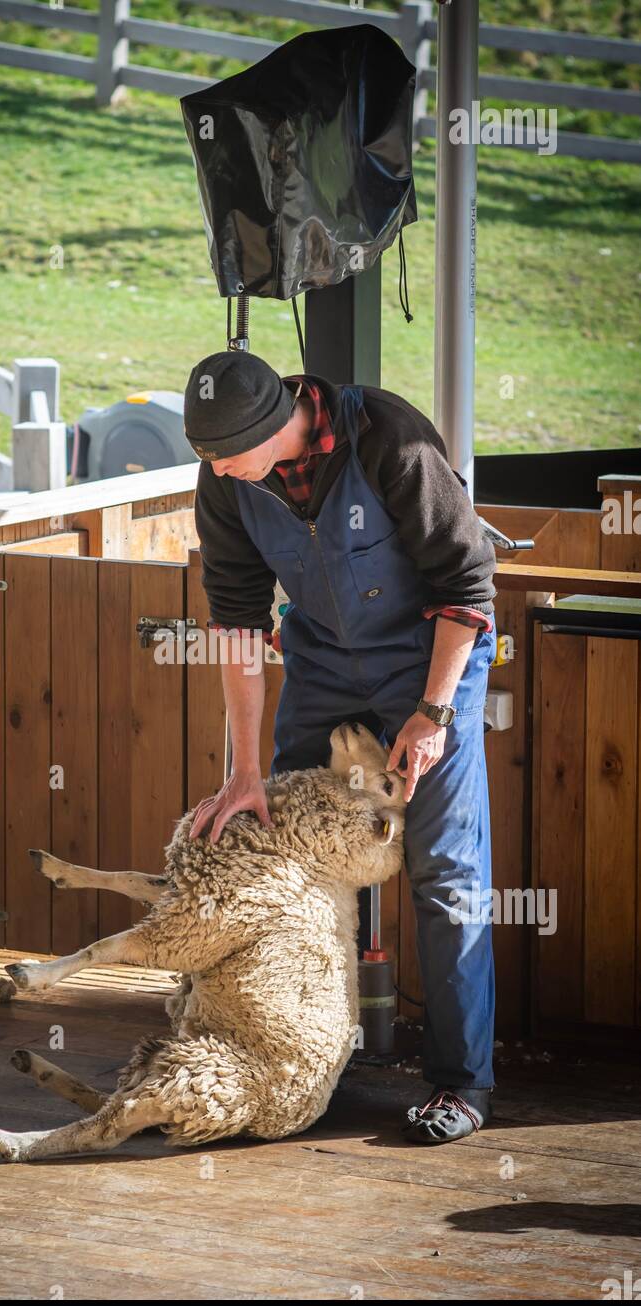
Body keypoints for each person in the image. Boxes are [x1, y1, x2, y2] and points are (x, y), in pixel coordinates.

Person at [183, 350, 498, 1144]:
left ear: (271, 425)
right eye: (208, 458)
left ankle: (463, 1082)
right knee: (290, 854)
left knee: (444, 867)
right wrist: (245, 772)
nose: (217, 469)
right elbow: (239, 626)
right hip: (321, 660)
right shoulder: (226, 483)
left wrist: (432, 713)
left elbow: (468, 590)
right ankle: (319, 1045)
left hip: (431, 661)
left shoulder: (389, 437)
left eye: (224, 455)